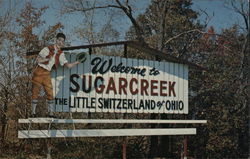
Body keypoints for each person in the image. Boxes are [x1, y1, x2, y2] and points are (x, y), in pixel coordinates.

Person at [31, 33, 79, 117]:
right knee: (35, 92)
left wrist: (77, 62)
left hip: (47, 73)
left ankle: (51, 113)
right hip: (39, 70)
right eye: (59, 40)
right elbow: (38, 60)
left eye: (62, 41)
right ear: (55, 40)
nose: (60, 42)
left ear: (63, 43)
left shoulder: (61, 53)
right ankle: (33, 113)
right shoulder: (47, 49)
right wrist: (46, 59)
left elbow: (68, 65)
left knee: (50, 93)